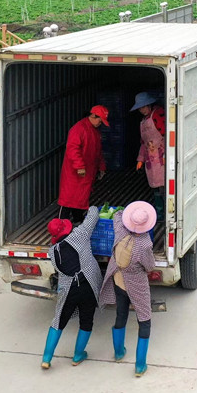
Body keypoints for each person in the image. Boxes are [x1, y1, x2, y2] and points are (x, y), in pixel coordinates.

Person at [41, 207, 103, 369]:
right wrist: (91, 207)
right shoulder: (80, 234)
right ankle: (78, 355)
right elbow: (94, 215)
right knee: (86, 321)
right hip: (87, 285)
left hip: (68, 289)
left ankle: (46, 358)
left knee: (58, 321)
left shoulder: (52, 251)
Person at [99, 201, 156, 377]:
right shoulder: (145, 243)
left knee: (121, 314)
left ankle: (118, 353)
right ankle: (140, 366)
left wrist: (127, 213)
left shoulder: (120, 230)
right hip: (137, 284)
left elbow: (117, 215)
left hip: (118, 279)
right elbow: (149, 266)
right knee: (144, 320)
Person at [58, 106, 109, 224]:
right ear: (93, 116)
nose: (99, 123)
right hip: (75, 172)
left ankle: (78, 221)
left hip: (87, 171)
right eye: (99, 120)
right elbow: (73, 149)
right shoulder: (78, 129)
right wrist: (79, 166)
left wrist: (101, 167)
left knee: (81, 198)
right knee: (67, 199)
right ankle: (60, 226)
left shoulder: (95, 131)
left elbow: (98, 151)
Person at [131, 92, 166, 219]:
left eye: (144, 106)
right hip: (150, 160)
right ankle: (159, 213)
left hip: (162, 157)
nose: (142, 110)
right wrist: (140, 160)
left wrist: (167, 154)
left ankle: (167, 213)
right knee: (155, 188)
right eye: (140, 108)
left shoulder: (158, 114)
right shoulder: (143, 121)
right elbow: (143, 143)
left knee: (164, 187)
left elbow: (167, 134)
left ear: (150, 104)